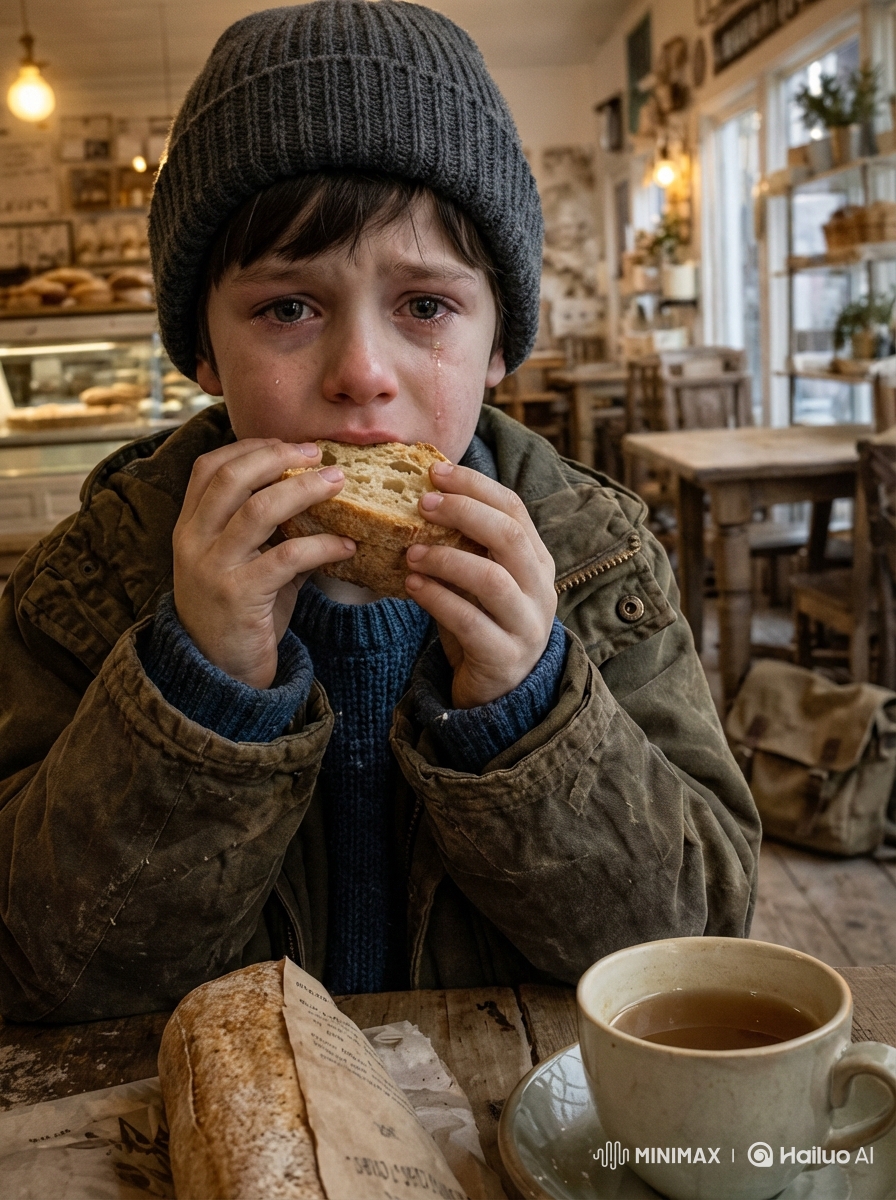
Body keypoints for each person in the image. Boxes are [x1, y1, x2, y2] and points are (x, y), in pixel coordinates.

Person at [0, 1, 759, 1023]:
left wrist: (528, 712)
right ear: (203, 355)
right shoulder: (94, 579)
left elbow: (693, 945)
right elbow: (46, 970)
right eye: (286, 308)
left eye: (425, 307)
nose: (361, 374)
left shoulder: (595, 565)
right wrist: (195, 693)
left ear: (499, 346)